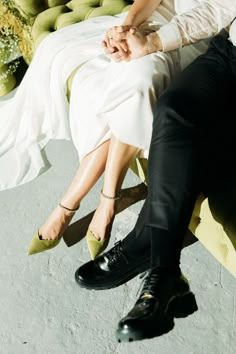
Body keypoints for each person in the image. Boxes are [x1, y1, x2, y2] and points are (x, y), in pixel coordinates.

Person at [75, 0, 236, 342]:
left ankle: (149, 252)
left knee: (213, 140)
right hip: (231, 53)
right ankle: (164, 272)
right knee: (175, 110)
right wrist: (152, 42)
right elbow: (223, 4)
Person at [0, 0, 209, 258]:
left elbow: (217, 14)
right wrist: (127, 28)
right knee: (63, 52)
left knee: (139, 81)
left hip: (197, 33)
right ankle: (93, 201)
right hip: (156, 17)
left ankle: (88, 203)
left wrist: (153, 41)